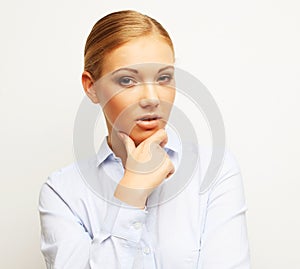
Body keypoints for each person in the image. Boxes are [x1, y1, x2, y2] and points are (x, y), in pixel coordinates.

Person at [39, 10, 250, 268]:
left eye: (163, 78)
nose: (151, 98)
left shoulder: (214, 170)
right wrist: (131, 195)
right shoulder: (62, 192)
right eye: (127, 80)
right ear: (91, 87)